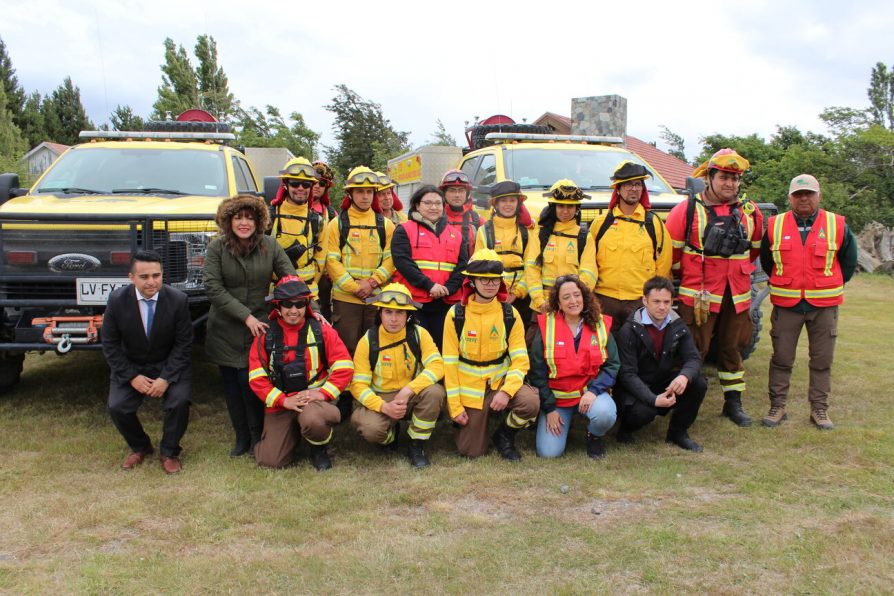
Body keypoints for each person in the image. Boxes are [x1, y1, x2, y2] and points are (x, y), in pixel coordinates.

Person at [665, 148, 763, 427]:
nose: (730, 184)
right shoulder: (685, 211)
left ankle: (734, 403)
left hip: (737, 295)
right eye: (724, 177)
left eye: (735, 178)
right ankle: (683, 403)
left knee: (732, 349)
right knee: (693, 350)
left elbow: (754, 251)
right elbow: (670, 257)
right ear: (710, 177)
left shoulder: (750, 212)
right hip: (699, 296)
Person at [760, 174, 858, 430]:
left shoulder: (837, 224)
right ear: (790, 197)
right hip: (786, 306)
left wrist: (827, 285)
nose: (804, 198)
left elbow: (848, 263)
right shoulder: (774, 225)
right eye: (798, 194)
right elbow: (766, 263)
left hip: (823, 308)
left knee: (822, 360)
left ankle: (820, 409)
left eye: (809, 194)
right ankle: (777, 406)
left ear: (818, 195)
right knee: (781, 359)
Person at [204, 194, 296, 456]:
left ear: (259, 221)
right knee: (233, 385)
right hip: (225, 328)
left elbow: (290, 278)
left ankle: (259, 435)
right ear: (228, 221)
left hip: (261, 328)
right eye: (238, 217)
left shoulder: (271, 245)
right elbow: (213, 287)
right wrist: (245, 317)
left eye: (249, 218)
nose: (244, 223)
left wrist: (309, 309)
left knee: (253, 383)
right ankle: (241, 437)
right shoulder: (216, 248)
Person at [443, 249, 539, 460]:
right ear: (472, 282)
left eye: (495, 279)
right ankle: (470, 425)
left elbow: (520, 360)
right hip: (469, 389)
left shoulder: (509, 314)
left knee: (531, 402)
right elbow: (448, 365)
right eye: (484, 279)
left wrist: (507, 391)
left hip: (499, 384)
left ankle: (504, 434)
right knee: (471, 452)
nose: (490, 284)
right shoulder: (456, 315)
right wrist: (456, 406)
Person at [248, 277, 353, 470]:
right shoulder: (265, 336)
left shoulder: (323, 331)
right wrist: (283, 401)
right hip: (282, 403)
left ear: (307, 304)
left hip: (313, 401)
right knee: (270, 461)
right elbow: (257, 378)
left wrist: (322, 394)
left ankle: (319, 448)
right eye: (287, 304)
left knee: (312, 420)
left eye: (299, 304)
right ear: (278, 306)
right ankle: (292, 435)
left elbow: (345, 366)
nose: (294, 310)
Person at [103, 250, 193, 473]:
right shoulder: (116, 301)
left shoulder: (178, 300)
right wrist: (131, 377)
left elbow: (184, 344)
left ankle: (169, 451)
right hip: (132, 365)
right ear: (131, 277)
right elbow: (110, 344)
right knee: (117, 407)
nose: (152, 282)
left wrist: (166, 378)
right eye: (144, 277)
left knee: (179, 401)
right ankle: (141, 447)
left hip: (167, 364)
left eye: (156, 275)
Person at [350, 283, 445, 468]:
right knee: (370, 429)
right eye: (388, 312)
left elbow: (437, 365)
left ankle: (417, 444)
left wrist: (409, 389)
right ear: (379, 313)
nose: (394, 319)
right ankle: (390, 438)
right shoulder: (367, 341)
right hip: (382, 399)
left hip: (411, 395)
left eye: (400, 313)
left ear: (408, 315)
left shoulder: (419, 334)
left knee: (435, 392)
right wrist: (384, 407)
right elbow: (357, 385)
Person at [528, 275, 619, 459]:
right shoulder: (546, 326)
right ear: (558, 303)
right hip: (557, 400)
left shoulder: (600, 324)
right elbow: (537, 372)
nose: (573, 301)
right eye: (566, 297)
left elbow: (613, 365)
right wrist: (549, 409)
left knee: (605, 414)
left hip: (590, 395)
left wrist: (594, 391)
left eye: (577, 295)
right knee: (549, 453)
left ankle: (594, 435)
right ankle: (562, 426)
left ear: (584, 297)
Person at [615, 276, 707, 451]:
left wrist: (684, 376)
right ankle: (625, 429)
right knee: (644, 412)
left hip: (663, 381)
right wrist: (653, 399)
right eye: (656, 301)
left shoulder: (677, 323)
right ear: (645, 300)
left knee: (698, 383)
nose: (662, 307)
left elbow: (693, 358)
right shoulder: (629, 330)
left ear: (672, 301)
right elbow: (627, 375)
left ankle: (677, 433)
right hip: (634, 388)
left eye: (666, 301)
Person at [585, 161, 672, 334]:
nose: (633, 189)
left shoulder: (654, 224)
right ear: (618, 189)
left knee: (638, 352)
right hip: (604, 301)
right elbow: (588, 262)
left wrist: (652, 299)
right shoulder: (601, 224)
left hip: (638, 302)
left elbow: (663, 265)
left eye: (638, 184)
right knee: (605, 351)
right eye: (628, 184)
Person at [323, 166, 396, 355]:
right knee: (346, 350)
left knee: (374, 349)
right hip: (346, 299)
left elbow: (391, 260)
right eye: (360, 192)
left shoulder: (386, 225)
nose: (365, 197)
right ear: (350, 194)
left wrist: (371, 283)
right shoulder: (337, 224)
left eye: (369, 192)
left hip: (375, 298)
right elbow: (331, 260)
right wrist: (354, 288)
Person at [391, 184, 469, 350]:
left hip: (445, 302)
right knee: (416, 348)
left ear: (443, 206)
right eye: (427, 203)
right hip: (414, 302)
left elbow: (463, 266)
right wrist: (429, 285)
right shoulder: (404, 230)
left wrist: (448, 288)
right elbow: (403, 262)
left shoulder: (456, 234)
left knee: (444, 347)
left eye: (438, 203)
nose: (433, 207)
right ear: (418, 205)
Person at [526, 179, 597, 316]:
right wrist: (540, 301)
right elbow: (532, 269)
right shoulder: (540, 235)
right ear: (553, 207)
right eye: (561, 206)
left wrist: (573, 300)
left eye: (570, 207)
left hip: (573, 307)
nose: (565, 211)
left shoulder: (584, 237)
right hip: (543, 306)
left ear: (577, 208)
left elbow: (589, 273)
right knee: (533, 338)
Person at [475, 180, 534, 326]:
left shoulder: (526, 233)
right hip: (492, 295)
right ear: (495, 204)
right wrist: (496, 290)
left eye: (512, 200)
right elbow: (479, 266)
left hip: (521, 299)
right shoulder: (484, 231)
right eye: (503, 201)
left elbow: (532, 268)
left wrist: (517, 293)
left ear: (518, 203)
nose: (508, 204)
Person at [270, 157, 326, 299]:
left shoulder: (318, 221)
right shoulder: (269, 217)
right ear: (286, 185)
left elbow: (320, 260)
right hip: (276, 296)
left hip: (307, 295)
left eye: (306, 184)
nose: (300, 188)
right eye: (295, 183)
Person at [312, 161, 337, 321]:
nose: (317, 186)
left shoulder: (331, 213)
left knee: (324, 313)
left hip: (324, 277)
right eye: (313, 182)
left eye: (322, 183)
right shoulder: (290, 208)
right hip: (298, 272)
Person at [439, 169, 480, 249]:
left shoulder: (477, 220)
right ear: (443, 194)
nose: (457, 195)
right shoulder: (435, 218)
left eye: (461, 191)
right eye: (452, 191)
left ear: (467, 194)